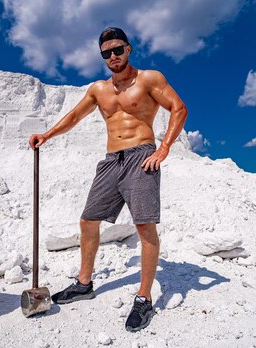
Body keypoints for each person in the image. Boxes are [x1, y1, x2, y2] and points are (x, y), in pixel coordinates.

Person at [29, 27, 187, 332]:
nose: (112, 56)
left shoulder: (149, 79)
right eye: (106, 53)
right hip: (111, 160)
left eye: (117, 50)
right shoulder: (98, 89)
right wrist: (46, 135)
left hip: (142, 155)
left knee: (145, 227)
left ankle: (144, 298)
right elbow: (74, 117)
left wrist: (164, 148)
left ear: (128, 49)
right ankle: (84, 283)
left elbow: (179, 108)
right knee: (88, 220)